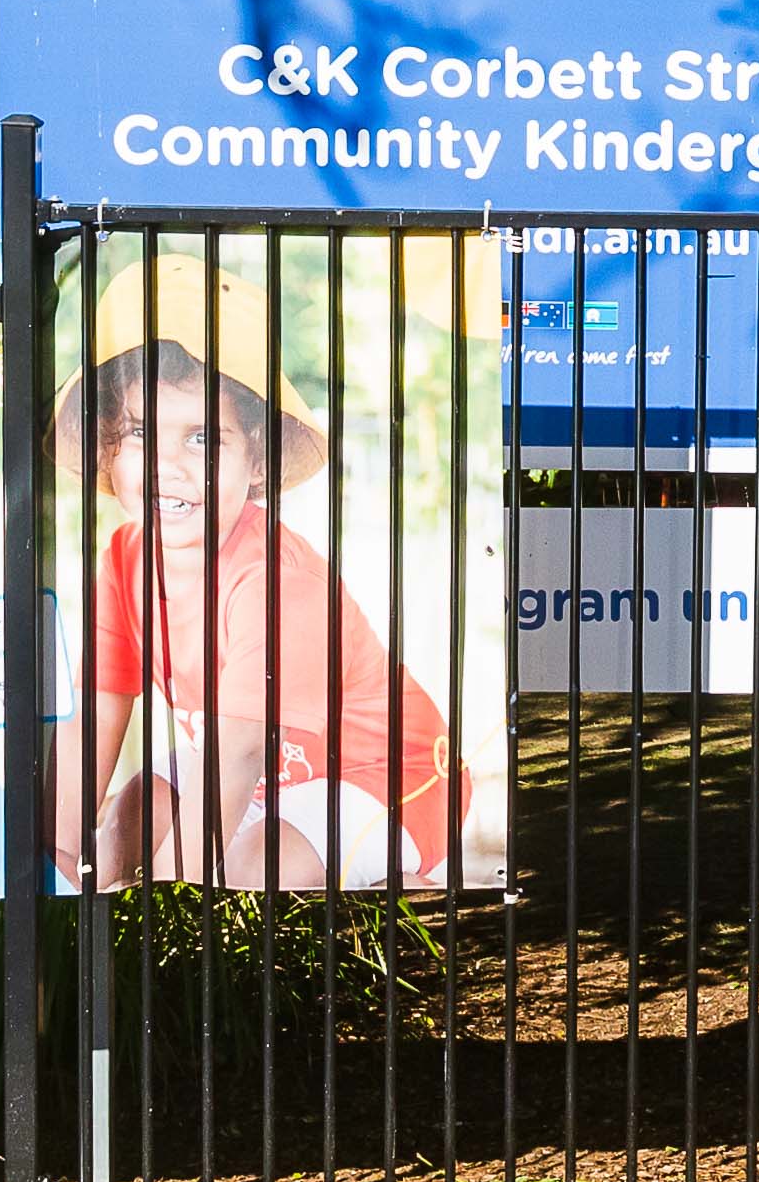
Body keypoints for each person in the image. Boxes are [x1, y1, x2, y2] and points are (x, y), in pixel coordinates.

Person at [60, 328, 462, 893]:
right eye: (141, 432)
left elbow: (240, 749)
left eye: (202, 438)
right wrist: (56, 858)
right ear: (107, 448)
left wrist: (173, 903)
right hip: (261, 773)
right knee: (131, 819)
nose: (168, 465)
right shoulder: (124, 560)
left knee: (254, 867)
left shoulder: (276, 579)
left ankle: (393, 884)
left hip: (382, 776)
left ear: (255, 458)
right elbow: (96, 719)